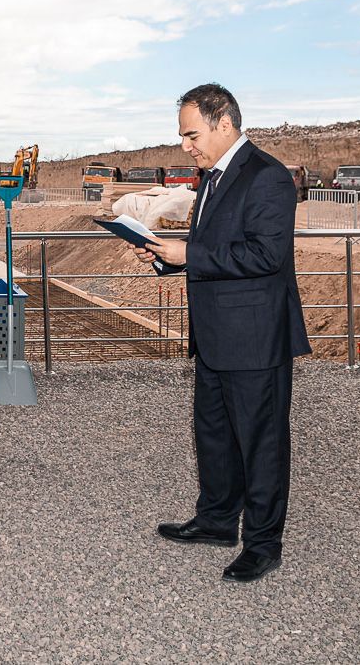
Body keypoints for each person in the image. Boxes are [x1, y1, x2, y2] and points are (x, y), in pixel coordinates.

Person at [131, 83, 310, 583]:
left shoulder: (268, 176)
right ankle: (216, 520)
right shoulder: (211, 176)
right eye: (183, 136)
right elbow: (214, 249)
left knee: (260, 442)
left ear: (224, 123)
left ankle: (263, 544)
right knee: (214, 433)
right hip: (213, 334)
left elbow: (265, 255)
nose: (185, 145)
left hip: (254, 337)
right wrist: (166, 258)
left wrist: (188, 253)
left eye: (191, 135)